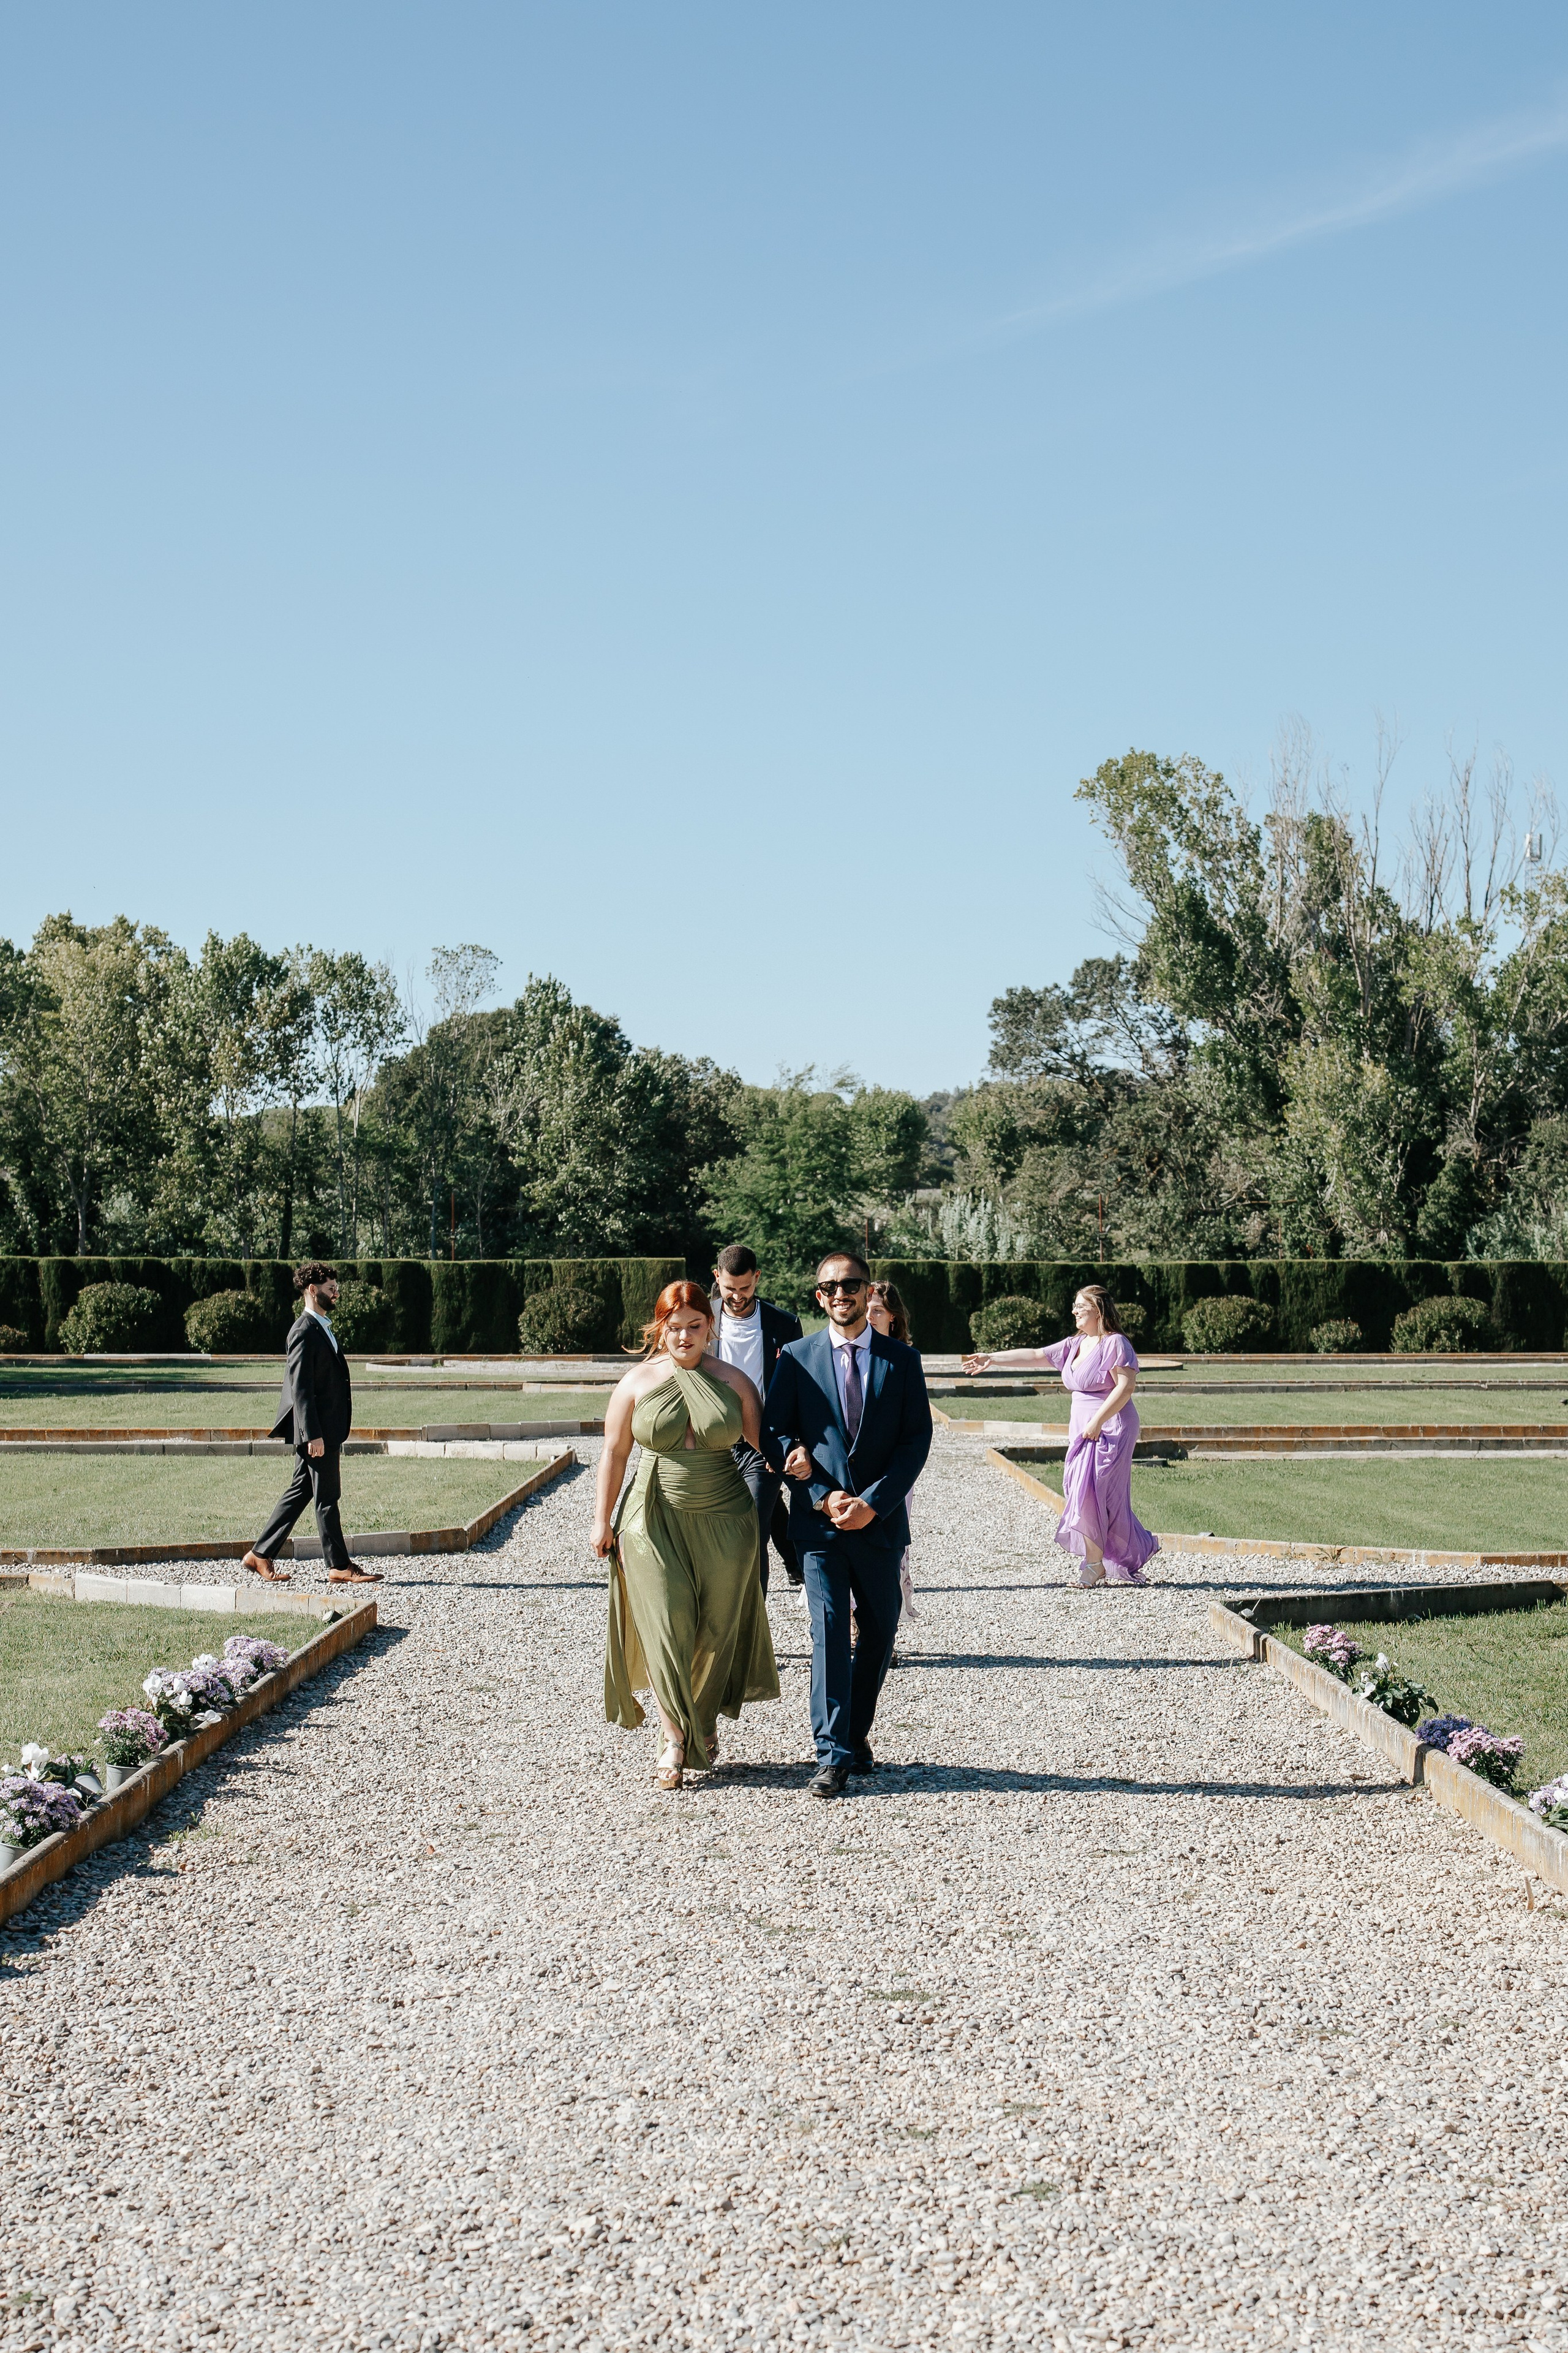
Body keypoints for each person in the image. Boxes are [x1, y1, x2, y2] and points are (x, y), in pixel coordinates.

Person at [596, 1280, 780, 1791]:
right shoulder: (636, 1382)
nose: (684, 1337)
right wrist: (600, 1519)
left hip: (727, 1515)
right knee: (667, 1623)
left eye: (694, 1326)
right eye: (673, 1328)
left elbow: (769, 1447)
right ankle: (674, 1735)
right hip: (652, 1513)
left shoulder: (736, 1381)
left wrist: (817, 1484)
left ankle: (702, 1720)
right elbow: (614, 1453)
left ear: (710, 1325)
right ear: (660, 1328)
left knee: (716, 1629)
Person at [763, 1250, 932, 1799]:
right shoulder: (795, 1356)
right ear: (819, 1296)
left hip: (879, 1526)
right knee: (830, 1631)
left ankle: (855, 1735)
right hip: (820, 1527)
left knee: (880, 1634)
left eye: (852, 1285)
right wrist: (819, 1492)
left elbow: (915, 1441)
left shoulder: (901, 1360)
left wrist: (875, 1502)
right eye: (831, 1287)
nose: (842, 1294)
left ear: (867, 1291)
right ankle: (831, 1753)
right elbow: (776, 1434)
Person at [963, 1283, 1158, 1588]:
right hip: (1084, 1425)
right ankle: (1107, 1558)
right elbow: (1036, 1355)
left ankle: (1096, 1565)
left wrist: (1097, 1421)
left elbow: (1125, 1387)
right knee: (1081, 1488)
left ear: (1098, 1309)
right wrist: (993, 1357)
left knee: (1096, 1492)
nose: (1074, 1311)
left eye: (1080, 1306)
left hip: (1112, 1425)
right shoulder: (1076, 1344)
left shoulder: (1116, 1343)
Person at [243, 1262, 383, 1587]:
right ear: (312, 1290)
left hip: (326, 1428)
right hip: (318, 1432)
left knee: (300, 1492)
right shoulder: (304, 1330)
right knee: (327, 1496)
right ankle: (340, 1566)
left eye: (336, 1287)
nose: (336, 1293)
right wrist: (312, 1434)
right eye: (330, 1288)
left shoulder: (322, 1326)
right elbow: (300, 1388)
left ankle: (260, 1554)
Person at [709, 1243, 804, 1592]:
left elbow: (797, 1392)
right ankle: (797, 1562)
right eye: (729, 1288)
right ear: (717, 1277)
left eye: (745, 1288)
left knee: (751, 1531)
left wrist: (782, 1444)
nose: (736, 1296)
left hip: (761, 1442)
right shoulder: (700, 1319)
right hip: (712, 1442)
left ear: (758, 1278)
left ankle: (752, 1629)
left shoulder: (785, 1325)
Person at [867, 1279, 919, 1642]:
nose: (869, 1316)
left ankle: (885, 1627)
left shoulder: (903, 1362)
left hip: (894, 1473)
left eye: (878, 1311)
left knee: (887, 1546)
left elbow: (914, 1428)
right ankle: (856, 1626)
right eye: (866, 1307)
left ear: (893, 1320)